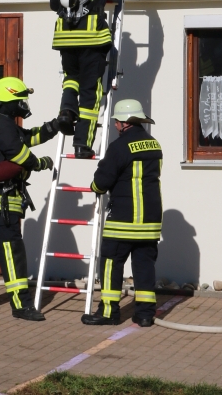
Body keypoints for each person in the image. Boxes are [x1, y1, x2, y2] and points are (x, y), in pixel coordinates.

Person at [0, 75, 58, 320]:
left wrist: (54, 126)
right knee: (12, 251)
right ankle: (21, 305)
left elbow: (27, 137)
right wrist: (41, 163)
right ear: (9, 100)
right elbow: (19, 154)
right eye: (20, 100)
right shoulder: (2, 124)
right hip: (2, 200)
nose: (23, 104)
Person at [50, 0, 137, 159]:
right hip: (92, 39)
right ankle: (82, 144)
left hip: (65, 39)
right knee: (90, 91)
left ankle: (67, 111)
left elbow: (54, 5)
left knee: (71, 79)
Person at [81, 98, 163, 328]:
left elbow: (101, 182)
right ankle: (145, 314)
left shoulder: (119, 146)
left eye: (117, 122)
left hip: (124, 220)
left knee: (111, 263)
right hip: (150, 220)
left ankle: (109, 312)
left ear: (124, 123)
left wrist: (94, 187)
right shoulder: (154, 144)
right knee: (144, 266)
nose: (116, 125)